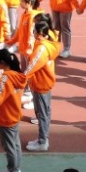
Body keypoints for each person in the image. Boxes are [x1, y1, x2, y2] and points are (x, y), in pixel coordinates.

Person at [24, 18, 60, 152]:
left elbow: (33, 65)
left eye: (34, 30)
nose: (32, 32)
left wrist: (21, 78)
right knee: (43, 113)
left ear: (39, 33)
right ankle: (42, 138)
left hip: (41, 84)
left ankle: (42, 141)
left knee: (42, 114)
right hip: (43, 82)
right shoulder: (46, 43)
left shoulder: (42, 49)